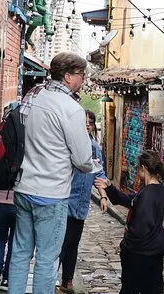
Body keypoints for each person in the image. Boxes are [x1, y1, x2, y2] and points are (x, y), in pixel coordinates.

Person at [8, 52, 97, 294]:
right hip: (51, 193)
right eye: (81, 74)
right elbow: (83, 160)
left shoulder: (33, 96)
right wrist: (91, 165)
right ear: (67, 76)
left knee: (20, 253)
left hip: (23, 187)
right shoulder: (71, 109)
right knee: (47, 259)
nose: (83, 79)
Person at [94, 150, 164, 294]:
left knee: (131, 289)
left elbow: (141, 228)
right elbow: (130, 201)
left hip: (140, 254)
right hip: (153, 251)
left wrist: (127, 240)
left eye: (138, 167)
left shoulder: (148, 195)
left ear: (144, 168)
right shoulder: (156, 189)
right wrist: (110, 189)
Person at [57, 111, 109, 293]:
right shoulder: (69, 144)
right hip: (64, 200)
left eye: (91, 122)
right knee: (60, 244)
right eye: (84, 121)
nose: (87, 124)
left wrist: (103, 195)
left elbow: (98, 173)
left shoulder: (94, 147)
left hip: (80, 205)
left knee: (72, 244)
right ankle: (50, 279)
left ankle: (67, 281)